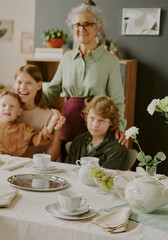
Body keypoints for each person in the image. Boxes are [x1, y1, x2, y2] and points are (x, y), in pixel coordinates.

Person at [43, 1, 128, 160]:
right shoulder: (67, 58)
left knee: (91, 171)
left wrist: (120, 127)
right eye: (77, 25)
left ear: (98, 26)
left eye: (87, 24)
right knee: (65, 166)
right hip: (68, 122)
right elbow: (52, 91)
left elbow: (117, 101)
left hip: (97, 124)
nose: (81, 29)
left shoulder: (110, 61)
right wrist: (24, 98)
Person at [0, 90, 65, 157]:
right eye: (4, 105)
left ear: (19, 111)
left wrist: (53, 122)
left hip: (17, 168)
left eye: (12, 106)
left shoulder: (23, 129)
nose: (7, 108)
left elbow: (40, 138)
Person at [65, 96, 127, 170]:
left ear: (111, 122)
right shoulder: (78, 141)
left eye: (101, 120)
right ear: (86, 117)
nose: (95, 125)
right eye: (92, 118)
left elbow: (107, 176)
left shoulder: (117, 147)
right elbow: (67, 169)